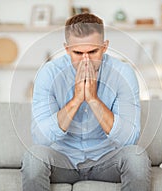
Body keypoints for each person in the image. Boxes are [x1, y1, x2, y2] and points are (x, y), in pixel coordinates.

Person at [21, 13, 151, 191]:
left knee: (137, 157)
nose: (86, 60)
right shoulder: (49, 74)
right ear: (66, 49)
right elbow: (40, 138)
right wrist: (76, 100)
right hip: (63, 160)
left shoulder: (123, 73)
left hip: (107, 161)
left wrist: (92, 99)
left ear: (105, 47)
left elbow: (129, 139)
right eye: (77, 53)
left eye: (92, 52)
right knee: (33, 157)